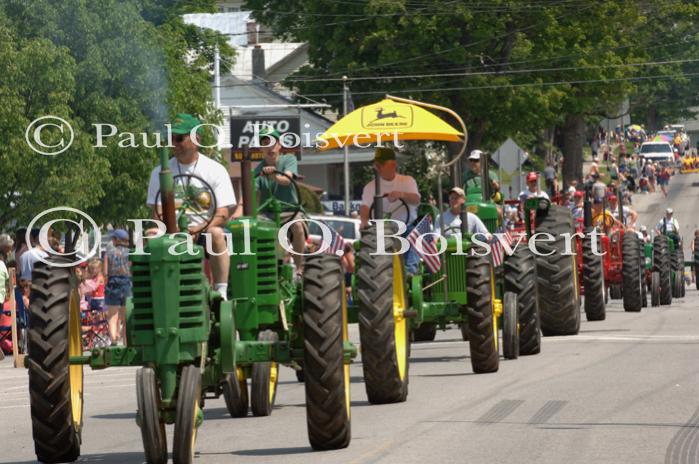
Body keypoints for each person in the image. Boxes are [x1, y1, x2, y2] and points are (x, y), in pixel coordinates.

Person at [146, 113, 237, 299]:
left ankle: (221, 292)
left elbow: (223, 213)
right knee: (150, 236)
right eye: (172, 139)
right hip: (173, 231)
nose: (175, 144)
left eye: (179, 138)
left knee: (217, 235)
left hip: (204, 230)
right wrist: (175, 230)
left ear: (196, 140)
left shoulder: (215, 170)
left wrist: (198, 229)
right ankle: (154, 294)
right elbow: (157, 214)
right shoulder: (159, 172)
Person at [360, 147, 421, 274]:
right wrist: (364, 221)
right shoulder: (370, 187)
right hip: (382, 231)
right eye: (376, 165)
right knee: (369, 242)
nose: (377, 168)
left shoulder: (407, 181)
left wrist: (401, 195)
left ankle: (411, 272)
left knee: (414, 235)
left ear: (393, 165)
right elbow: (365, 207)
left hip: (406, 227)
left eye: (380, 165)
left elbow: (416, 200)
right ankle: (375, 273)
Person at [255, 127, 306, 276]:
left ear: (279, 145)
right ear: (261, 148)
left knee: (297, 226)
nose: (269, 146)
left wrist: (274, 176)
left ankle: (299, 269)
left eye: (272, 142)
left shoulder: (289, 159)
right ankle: (262, 269)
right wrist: (238, 212)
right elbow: (249, 193)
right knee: (251, 227)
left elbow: (287, 180)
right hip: (267, 214)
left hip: (290, 211)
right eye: (265, 142)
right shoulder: (258, 169)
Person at [104, 229, 131, 345]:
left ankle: (114, 340)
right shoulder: (130, 253)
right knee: (126, 317)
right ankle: (126, 341)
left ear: (117, 240)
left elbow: (105, 272)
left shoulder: (108, 254)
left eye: (113, 238)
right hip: (126, 283)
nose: (112, 240)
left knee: (112, 315)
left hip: (112, 283)